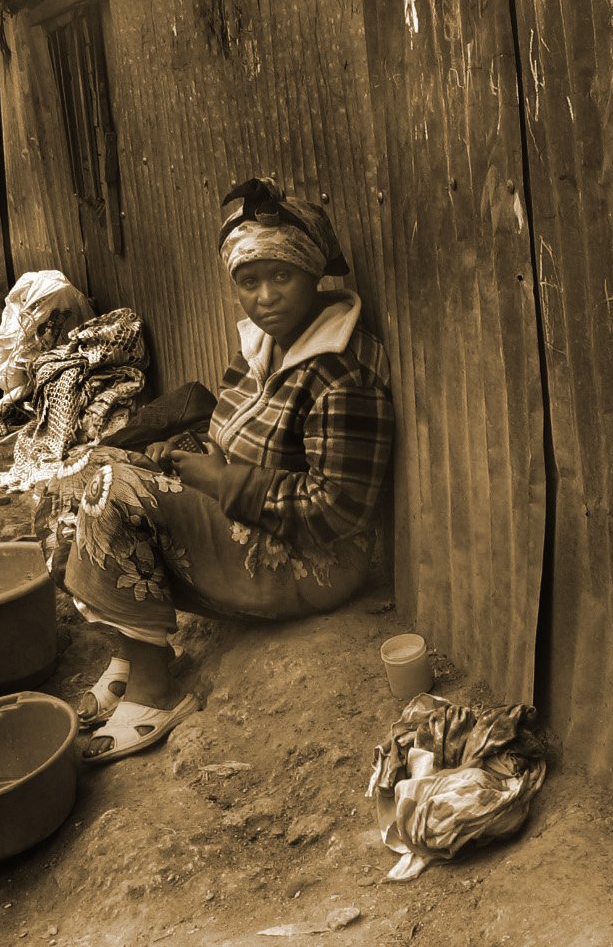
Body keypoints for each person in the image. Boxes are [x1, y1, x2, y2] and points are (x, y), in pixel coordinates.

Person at [45, 177, 395, 764]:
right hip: (253, 524)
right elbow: (230, 433)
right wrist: (181, 455)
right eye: (248, 281)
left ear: (313, 275)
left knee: (113, 490)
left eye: (282, 276)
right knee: (75, 478)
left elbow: (338, 509)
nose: (266, 297)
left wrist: (218, 481)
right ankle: (130, 651)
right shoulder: (261, 345)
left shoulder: (342, 375)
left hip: (312, 562)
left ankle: (157, 689)